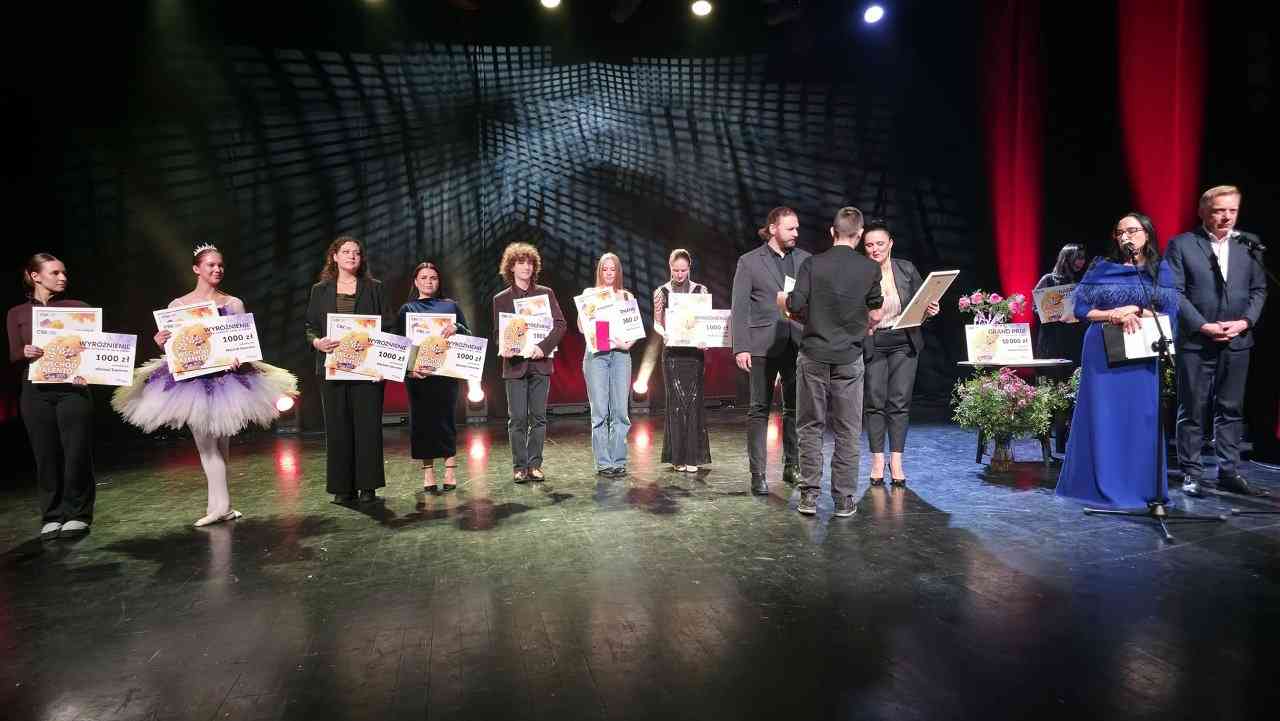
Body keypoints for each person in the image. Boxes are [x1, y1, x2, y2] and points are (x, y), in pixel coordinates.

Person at [114, 244, 298, 526]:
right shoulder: (178, 306)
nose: (217, 269)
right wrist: (162, 341)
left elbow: (244, 342)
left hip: (226, 380)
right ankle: (221, 506)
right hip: (193, 382)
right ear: (196, 269)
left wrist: (239, 357)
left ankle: (221, 506)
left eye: (220, 265)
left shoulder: (233, 303)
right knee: (207, 446)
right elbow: (176, 347)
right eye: (211, 265)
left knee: (220, 445)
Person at [1056, 213, 1179, 508]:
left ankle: (1141, 487)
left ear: (1147, 234)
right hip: (1101, 350)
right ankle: (1096, 484)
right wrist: (1113, 314)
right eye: (1120, 232)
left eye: (1133, 230)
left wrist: (1135, 310)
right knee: (1103, 416)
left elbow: (1170, 313)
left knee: (1140, 418)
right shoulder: (1101, 267)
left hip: (1142, 351)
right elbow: (1081, 309)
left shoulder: (1160, 270)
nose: (1126, 236)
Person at [1166, 185, 1269, 497]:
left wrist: (1245, 322)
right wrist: (1203, 325)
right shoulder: (1182, 244)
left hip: (1237, 339)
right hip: (1197, 341)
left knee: (1231, 408)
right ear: (1203, 212)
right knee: (1192, 408)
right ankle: (1192, 473)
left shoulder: (1248, 244)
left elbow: (1259, 289)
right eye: (1219, 210)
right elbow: (1174, 292)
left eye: (1232, 210)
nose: (1226, 217)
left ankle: (1229, 471)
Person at [783, 207, 884, 516]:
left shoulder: (812, 264)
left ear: (832, 232)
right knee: (848, 430)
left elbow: (795, 304)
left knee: (809, 427)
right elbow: (876, 312)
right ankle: (843, 499)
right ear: (860, 235)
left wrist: (784, 302)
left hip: (813, 355)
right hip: (849, 358)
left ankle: (809, 497)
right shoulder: (870, 269)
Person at [7, 254, 97, 539]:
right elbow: (13, 353)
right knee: (45, 455)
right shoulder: (17, 313)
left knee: (76, 451)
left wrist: (89, 365)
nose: (63, 278)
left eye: (64, 273)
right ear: (35, 276)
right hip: (36, 391)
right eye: (55, 273)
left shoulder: (79, 308)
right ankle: (52, 515)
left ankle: (78, 514)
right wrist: (24, 352)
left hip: (73, 389)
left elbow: (95, 348)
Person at [305, 236, 392, 505]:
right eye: (346, 252)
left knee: (368, 427)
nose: (352, 256)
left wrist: (383, 364)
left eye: (356, 252)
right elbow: (310, 327)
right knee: (338, 427)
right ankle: (342, 487)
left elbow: (388, 327)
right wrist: (317, 342)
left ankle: (368, 486)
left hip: (367, 369)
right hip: (332, 368)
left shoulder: (375, 288)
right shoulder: (320, 290)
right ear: (334, 256)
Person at [731, 207, 812, 495]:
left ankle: (792, 466)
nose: (796, 233)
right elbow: (739, 307)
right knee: (759, 409)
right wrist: (741, 347)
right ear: (773, 228)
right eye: (790, 228)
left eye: (797, 228)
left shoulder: (805, 260)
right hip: (762, 345)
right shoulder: (749, 261)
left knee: (794, 409)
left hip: (796, 343)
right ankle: (758, 474)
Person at [860, 218, 940, 486]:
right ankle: (877, 460)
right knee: (874, 402)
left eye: (880, 244)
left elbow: (920, 305)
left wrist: (930, 310)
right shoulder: (859, 273)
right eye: (869, 245)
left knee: (899, 402)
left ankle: (896, 461)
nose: (875, 249)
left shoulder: (906, 269)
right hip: (873, 341)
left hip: (904, 341)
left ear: (891, 244)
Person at [492, 243, 567, 483]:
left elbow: (560, 325)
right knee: (517, 419)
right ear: (511, 267)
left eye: (529, 263)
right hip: (515, 365)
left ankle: (535, 465)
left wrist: (542, 347)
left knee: (538, 417)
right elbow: (498, 333)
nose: (526, 267)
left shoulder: (545, 294)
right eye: (520, 263)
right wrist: (505, 345)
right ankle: (519, 467)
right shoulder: (501, 299)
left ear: (534, 267)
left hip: (540, 363)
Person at [399, 261, 469, 492]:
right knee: (421, 423)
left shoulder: (451, 306)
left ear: (439, 281)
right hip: (418, 376)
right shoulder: (407, 309)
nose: (429, 282)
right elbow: (398, 343)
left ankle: (450, 470)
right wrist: (409, 369)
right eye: (424, 278)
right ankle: (428, 472)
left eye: (433, 278)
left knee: (446, 420)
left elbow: (469, 335)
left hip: (446, 375)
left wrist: (457, 328)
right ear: (415, 281)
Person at [653, 249, 712, 472]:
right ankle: (677, 457)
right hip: (672, 354)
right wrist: (664, 333)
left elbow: (705, 321)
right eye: (676, 270)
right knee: (676, 405)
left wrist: (705, 338)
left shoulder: (700, 290)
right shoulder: (661, 292)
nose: (679, 274)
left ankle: (692, 457)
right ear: (670, 267)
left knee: (694, 403)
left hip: (694, 354)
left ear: (689, 268)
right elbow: (657, 322)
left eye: (683, 270)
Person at [579, 253, 636, 477]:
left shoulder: (626, 296)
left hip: (620, 355)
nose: (609, 273)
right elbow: (582, 327)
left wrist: (627, 344)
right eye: (605, 269)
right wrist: (587, 310)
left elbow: (634, 328)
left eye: (613, 269)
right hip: (597, 355)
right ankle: (604, 463)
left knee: (621, 411)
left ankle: (618, 461)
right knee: (600, 411)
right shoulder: (590, 294)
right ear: (600, 271)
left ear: (618, 271)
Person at [1033, 243, 1089, 366]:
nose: (1082, 261)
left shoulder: (1082, 281)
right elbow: (1035, 308)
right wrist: (1054, 313)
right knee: (1053, 373)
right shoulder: (1049, 279)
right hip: (1053, 336)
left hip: (1075, 336)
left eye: (1083, 258)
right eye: (1078, 257)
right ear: (1066, 258)